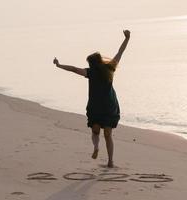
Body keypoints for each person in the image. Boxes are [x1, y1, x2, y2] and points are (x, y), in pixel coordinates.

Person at [53, 30, 130, 167]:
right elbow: (120, 52)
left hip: (101, 107)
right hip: (105, 106)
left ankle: (103, 154)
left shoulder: (93, 71)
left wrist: (59, 65)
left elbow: (74, 69)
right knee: (105, 133)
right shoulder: (106, 68)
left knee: (99, 131)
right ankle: (104, 155)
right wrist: (127, 38)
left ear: (92, 64)